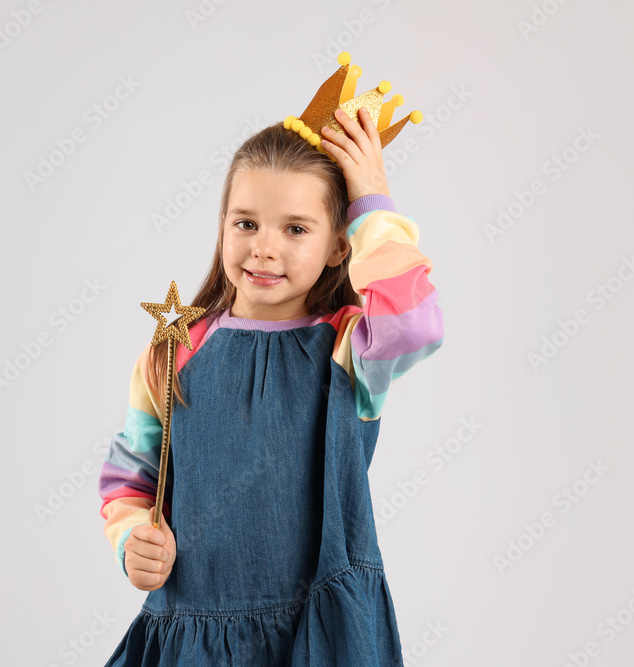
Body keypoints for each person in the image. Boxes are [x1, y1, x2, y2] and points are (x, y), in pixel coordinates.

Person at [97, 103, 445, 665]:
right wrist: (134, 539)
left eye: (296, 229)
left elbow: (416, 324)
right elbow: (129, 477)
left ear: (340, 245)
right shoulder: (175, 352)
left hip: (316, 637)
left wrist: (371, 202)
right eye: (246, 223)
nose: (264, 246)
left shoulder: (350, 349)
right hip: (191, 639)